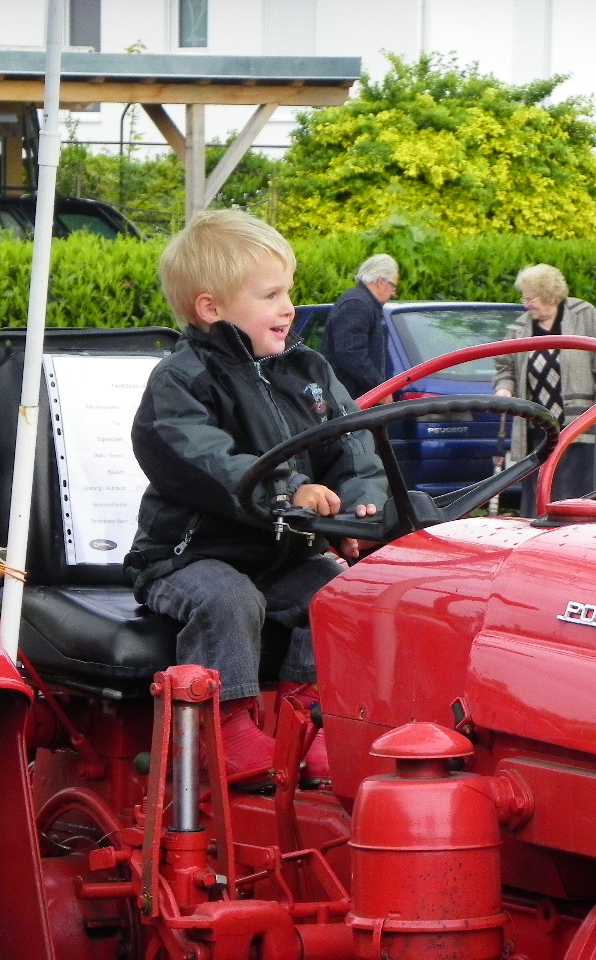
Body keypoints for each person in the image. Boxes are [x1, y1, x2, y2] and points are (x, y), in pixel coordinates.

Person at [125, 209, 388, 785]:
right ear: (211, 308)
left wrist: (360, 504)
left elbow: (351, 443)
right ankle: (223, 728)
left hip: (282, 557)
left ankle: (309, 720)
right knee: (229, 599)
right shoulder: (183, 380)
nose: (288, 307)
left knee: (340, 593)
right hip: (190, 557)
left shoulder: (308, 370)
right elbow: (205, 459)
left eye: (288, 291)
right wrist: (288, 492)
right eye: (270, 295)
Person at [492, 264, 596, 518]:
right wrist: (504, 389)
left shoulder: (583, 315)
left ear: (550, 296)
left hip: (577, 427)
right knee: (538, 495)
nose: (526, 305)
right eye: (524, 299)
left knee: (572, 495)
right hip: (537, 429)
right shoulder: (518, 329)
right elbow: (505, 367)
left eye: (531, 299)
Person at [320, 253, 400, 401]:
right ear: (381, 281)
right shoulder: (357, 304)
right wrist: (379, 389)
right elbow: (351, 354)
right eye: (393, 287)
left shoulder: (361, 302)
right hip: (350, 399)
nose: (393, 294)